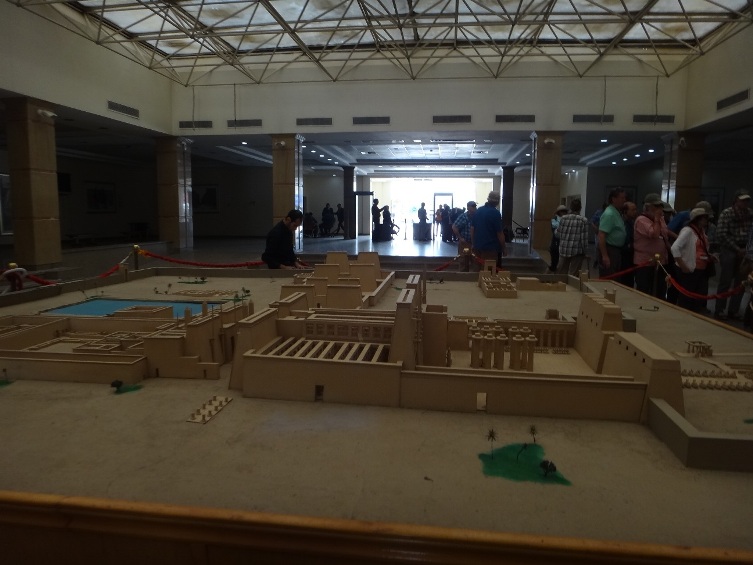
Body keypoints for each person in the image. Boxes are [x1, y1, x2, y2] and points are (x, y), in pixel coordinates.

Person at [714, 189, 752, 320]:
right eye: (743, 200)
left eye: (747, 200)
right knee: (725, 281)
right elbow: (721, 234)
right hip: (729, 249)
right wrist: (737, 249)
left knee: (741, 282)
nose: (745, 202)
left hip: (745, 249)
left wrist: (746, 249)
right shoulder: (727, 213)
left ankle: (733, 310)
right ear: (736, 200)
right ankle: (719, 309)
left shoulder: (750, 214)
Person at [671, 207, 714, 312]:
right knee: (686, 299)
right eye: (704, 218)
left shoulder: (702, 232)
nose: (707, 220)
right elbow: (675, 248)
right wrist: (683, 266)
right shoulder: (688, 231)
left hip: (700, 269)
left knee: (697, 298)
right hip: (689, 270)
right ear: (697, 219)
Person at [633, 193, 670, 298]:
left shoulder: (660, 219)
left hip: (660, 262)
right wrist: (657, 219)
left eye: (660, 206)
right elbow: (655, 234)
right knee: (644, 291)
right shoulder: (641, 220)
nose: (660, 209)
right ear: (648, 207)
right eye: (656, 206)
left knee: (660, 290)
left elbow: (665, 234)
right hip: (645, 263)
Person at [597, 188, 627, 278]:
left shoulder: (616, 212)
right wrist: (605, 256)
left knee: (615, 276)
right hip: (609, 250)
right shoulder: (609, 214)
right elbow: (601, 235)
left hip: (615, 250)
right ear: (614, 199)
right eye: (622, 198)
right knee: (609, 277)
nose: (624, 200)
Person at [471, 191, 506, 267]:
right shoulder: (495, 213)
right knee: (489, 271)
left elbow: (472, 229)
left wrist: (473, 244)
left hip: (477, 247)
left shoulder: (478, 211)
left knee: (477, 270)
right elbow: (499, 233)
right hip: (491, 249)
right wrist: (504, 248)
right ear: (497, 201)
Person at [555, 198, 589, 276]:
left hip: (564, 249)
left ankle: (561, 283)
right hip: (577, 251)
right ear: (580, 208)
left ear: (570, 207)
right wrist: (585, 252)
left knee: (561, 274)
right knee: (573, 275)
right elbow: (584, 239)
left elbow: (557, 233)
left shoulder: (563, 218)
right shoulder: (583, 220)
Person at [452, 200, 478, 272]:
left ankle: (474, 276)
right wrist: (460, 238)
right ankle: (463, 276)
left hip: (474, 243)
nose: (474, 208)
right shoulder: (463, 216)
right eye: (472, 206)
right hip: (465, 243)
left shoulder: (477, 216)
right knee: (463, 261)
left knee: (475, 261)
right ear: (468, 207)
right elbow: (454, 227)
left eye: (474, 206)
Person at [619, 201, 638, 288]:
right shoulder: (621, 222)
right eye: (632, 210)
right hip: (623, 254)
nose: (635, 212)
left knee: (630, 279)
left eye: (635, 209)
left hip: (631, 254)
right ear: (625, 211)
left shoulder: (633, 222)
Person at [548, 205, 568, 272]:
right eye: (562, 211)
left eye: (565, 211)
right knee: (554, 263)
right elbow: (556, 232)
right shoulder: (555, 219)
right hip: (556, 243)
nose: (564, 213)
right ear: (559, 212)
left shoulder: (566, 219)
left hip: (563, 244)